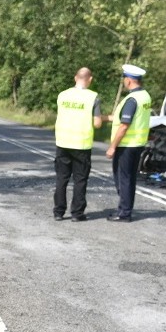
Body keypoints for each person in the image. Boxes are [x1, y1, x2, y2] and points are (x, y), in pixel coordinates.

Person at [54, 67, 103, 222]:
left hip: (62, 142)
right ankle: (77, 213)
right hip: (81, 144)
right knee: (80, 180)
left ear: (76, 78)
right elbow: (97, 123)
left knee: (62, 178)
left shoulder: (62, 95)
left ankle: (58, 212)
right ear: (90, 79)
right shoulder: (93, 97)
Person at [105, 64, 152, 222]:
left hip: (126, 145)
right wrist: (105, 118)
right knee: (129, 178)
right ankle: (126, 209)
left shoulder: (132, 99)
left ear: (130, 80)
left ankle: (124, 212)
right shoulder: (145, 96)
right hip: (138, 144)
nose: (124, 81)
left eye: (125, 78)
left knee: (122, 179)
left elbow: (124, 125)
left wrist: (112, 147)